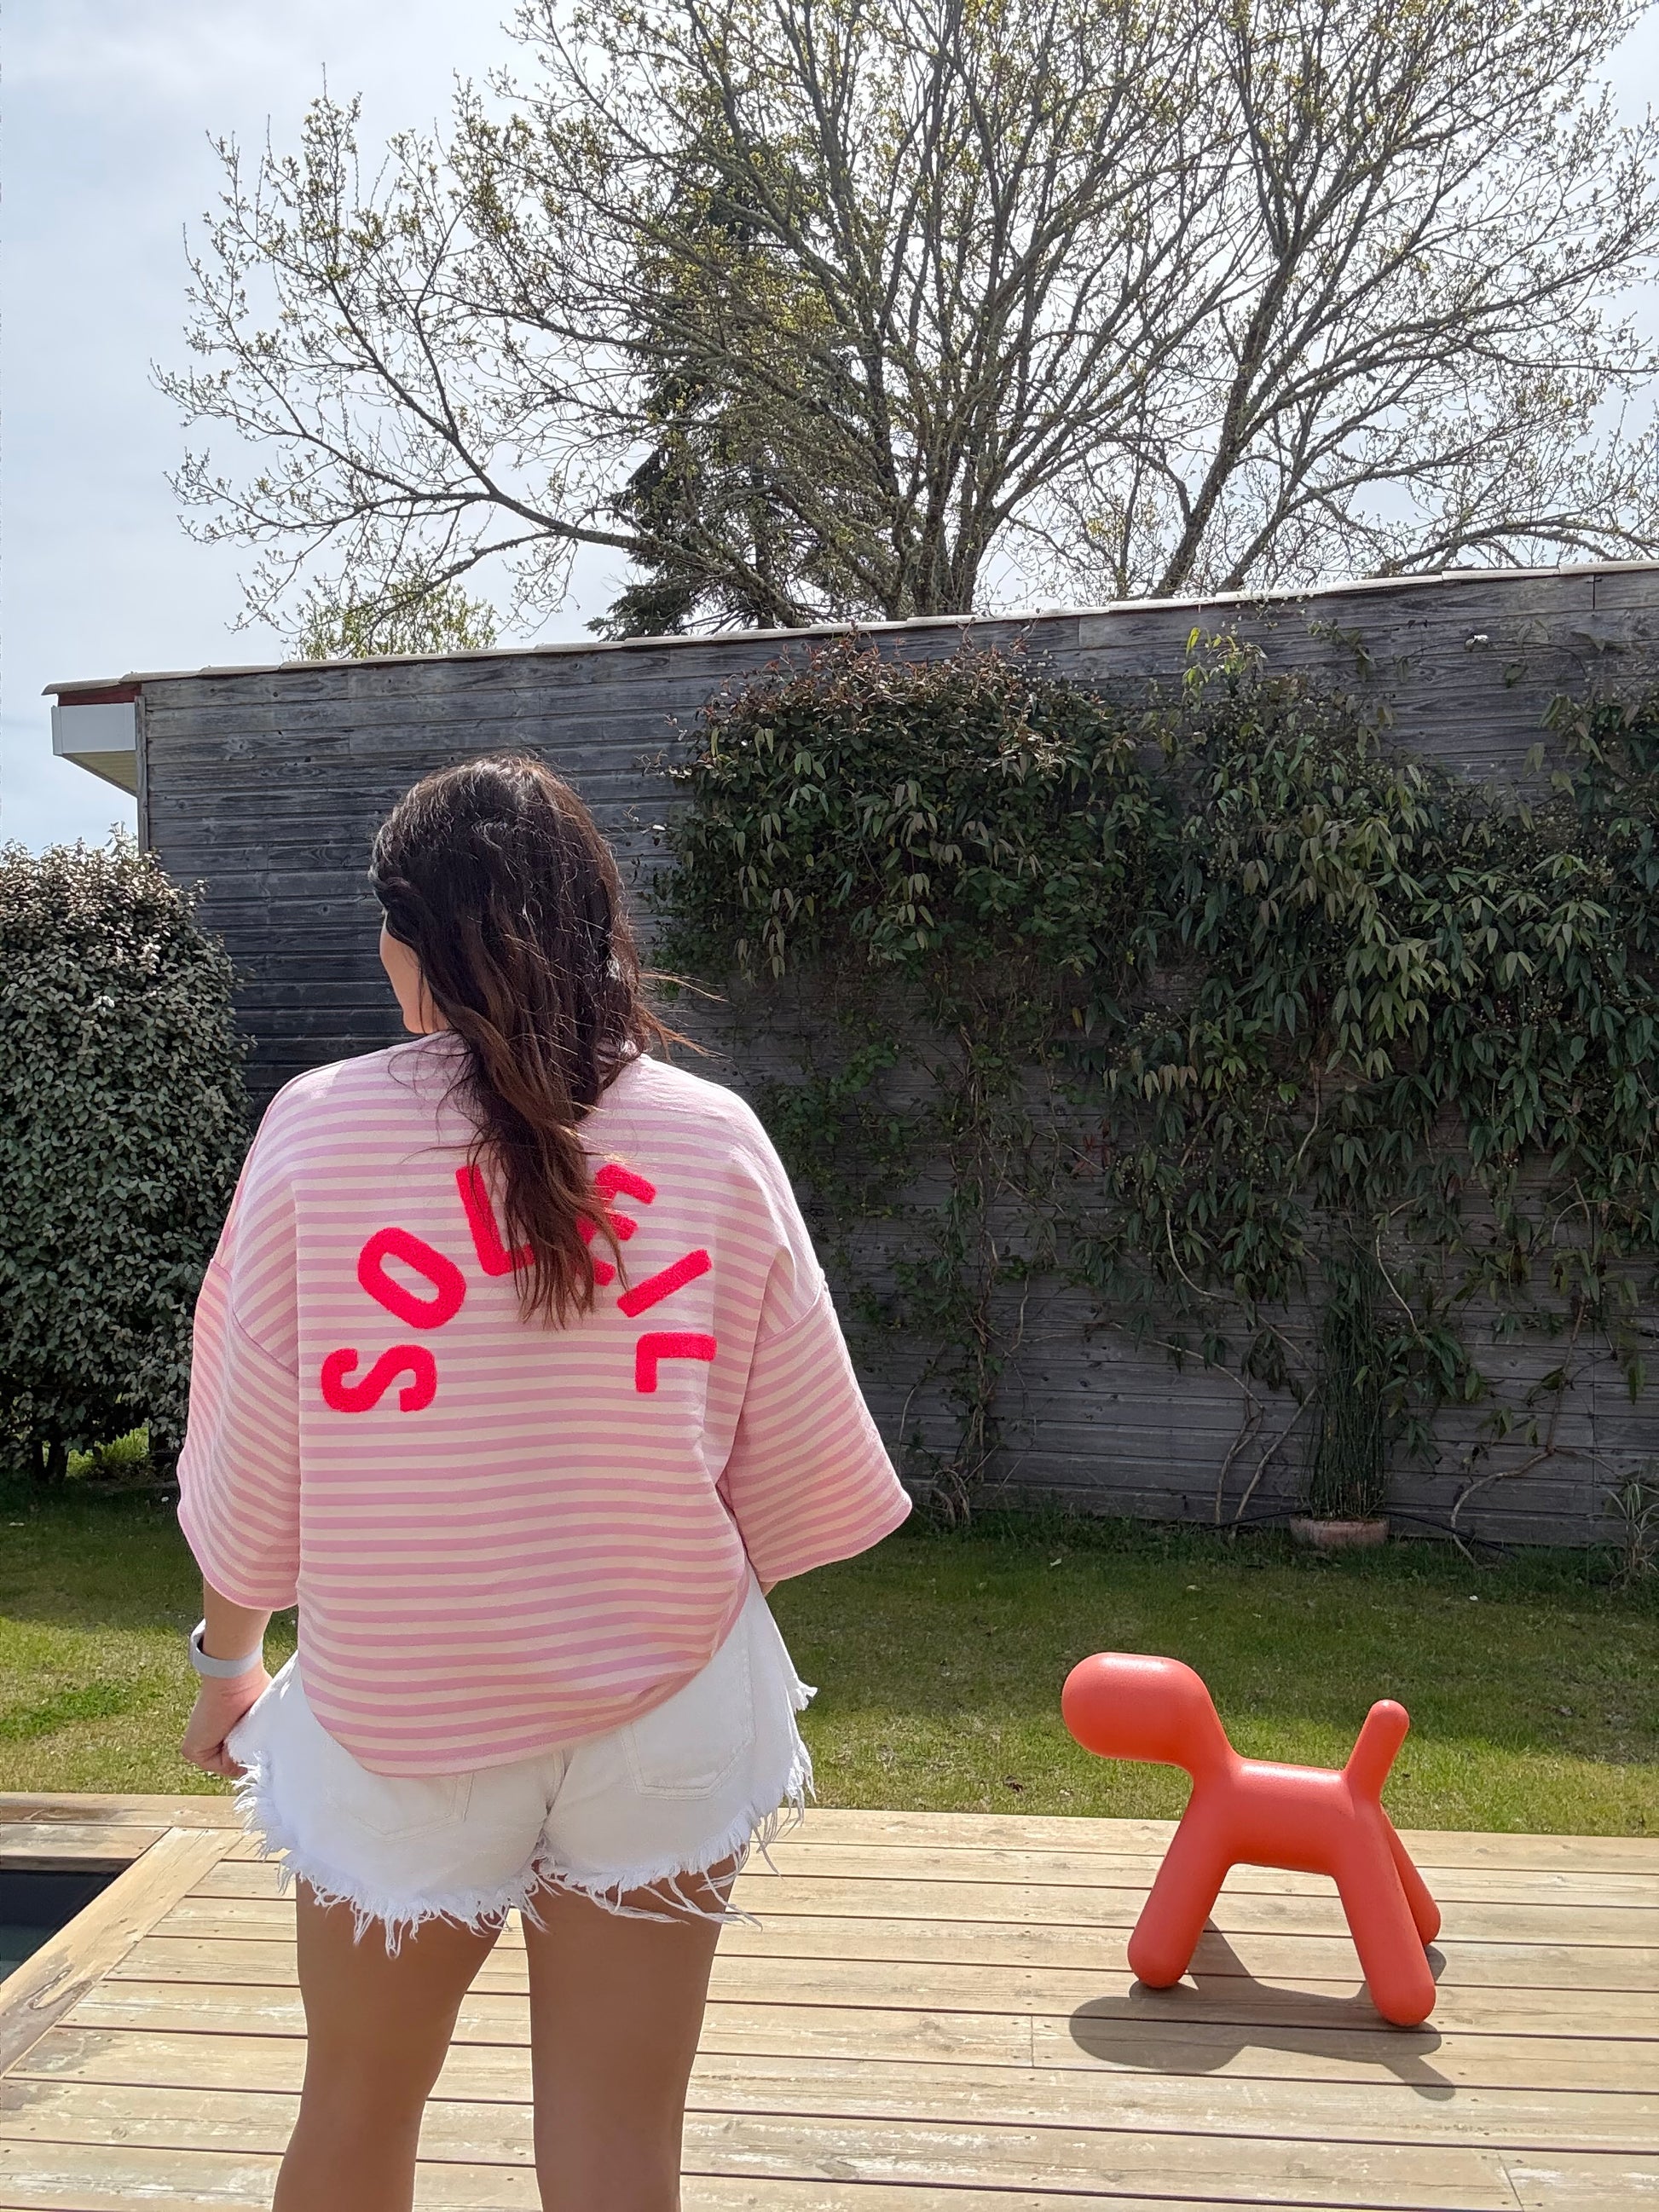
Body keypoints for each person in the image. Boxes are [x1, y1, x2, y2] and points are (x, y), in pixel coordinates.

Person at [175, 754, 910, 2212]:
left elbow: (254, 1468)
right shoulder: (715, 1136)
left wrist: (228, 1662)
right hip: (670, 1705)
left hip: (401, 1717)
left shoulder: (316, 1128)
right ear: (594, 922)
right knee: (621, 2147)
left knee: (354, 2115)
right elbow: (800, 1474)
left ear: (407, 942)